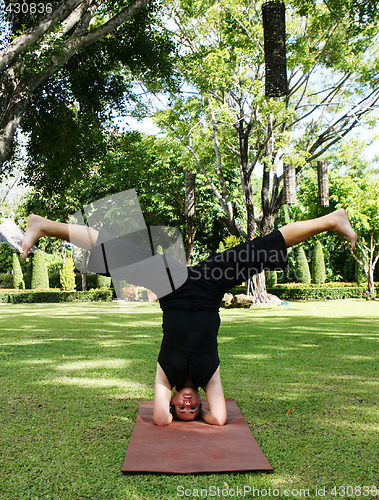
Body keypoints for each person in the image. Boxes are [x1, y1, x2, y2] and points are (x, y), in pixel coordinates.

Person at [22, 209, 357, 427]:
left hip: (172, 287)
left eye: (180, 408)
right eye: (192, 409)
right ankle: (331, 220)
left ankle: (45, 225)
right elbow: (221, 418)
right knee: (265, 248)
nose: (186, 405)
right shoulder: (208, 375)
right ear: (200, 403)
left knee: (114, 252)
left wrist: (168, 412)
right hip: (211, 286)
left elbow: (161, 420)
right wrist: (205, 413)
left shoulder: (165, 376)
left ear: (171, 404)